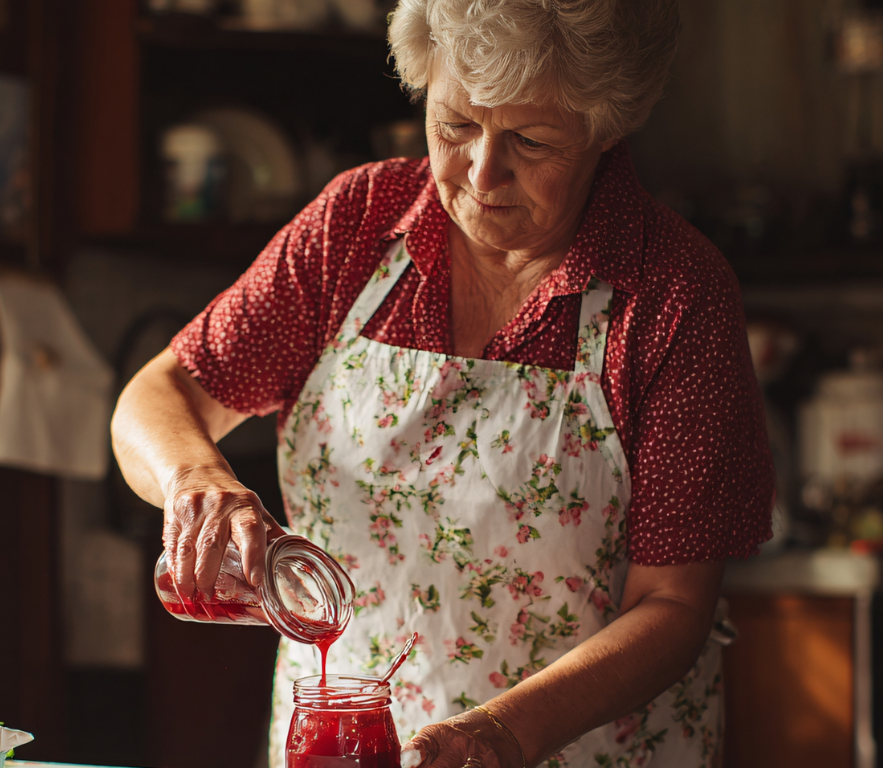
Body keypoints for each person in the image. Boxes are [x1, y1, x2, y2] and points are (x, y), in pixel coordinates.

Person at [111, 0, 775, 765]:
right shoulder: (355, 229)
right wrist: (196, 478)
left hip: (586, 748)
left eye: (530, 140)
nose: (481, 173)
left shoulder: (670, 292)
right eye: (455, 124)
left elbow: (672, 606)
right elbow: (159, 397)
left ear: (606, 127)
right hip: (347, 737)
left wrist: (501, 734)